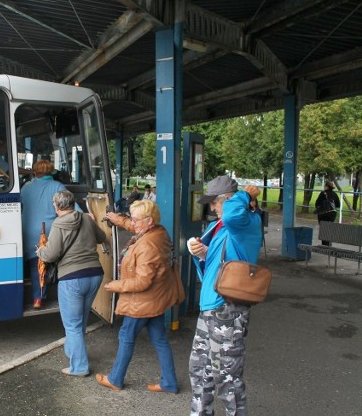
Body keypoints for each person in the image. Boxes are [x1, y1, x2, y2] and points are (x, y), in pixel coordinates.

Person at [187, 176, 262, 416]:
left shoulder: (244, 221)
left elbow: (232, 215)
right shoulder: (220, 225)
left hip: (228, 308)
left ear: (228, 200)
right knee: (200, 369)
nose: (212, 207)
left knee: (227, 376)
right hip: (211, 303)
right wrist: (202, 253)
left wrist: (245, 195)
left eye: (215, 202)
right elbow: (220, 263)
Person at [95, 200, 181, 393]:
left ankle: (116, 379)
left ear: (148, 220)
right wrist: (118, 220)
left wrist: (116, 285)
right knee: (159, 339)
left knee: (126, 336)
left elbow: (143, 282)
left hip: (143, 301)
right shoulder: (157, 231)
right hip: (155, 299)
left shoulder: (148, 246)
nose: (132, 223)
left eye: (135, 220)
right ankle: (169, 382)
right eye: (131, 219)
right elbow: (135, 227)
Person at [37, 190, 106, 377]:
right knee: (80, 320)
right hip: (95, 274)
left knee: (73, 325)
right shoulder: (85, 218)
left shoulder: (58, 224)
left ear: (56, 206)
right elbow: (101, 238)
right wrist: (91, 221)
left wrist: (40, 251)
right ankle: (74, 352)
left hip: (72, 278)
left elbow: (51, 254)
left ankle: (80, 367)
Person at [21, 159, 70, 309]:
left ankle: (36, 298)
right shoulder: (58, 186)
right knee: (54, 262)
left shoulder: (26, 187)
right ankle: (51, 296)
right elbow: (71, 209)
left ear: (35, 171)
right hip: (48, 231)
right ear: (51, 171)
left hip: (27, 229)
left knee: (34, 264)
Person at [315, 181, 340, 245]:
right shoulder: (334, 194)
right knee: (329, 229)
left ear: (326, 186)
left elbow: (317, 203)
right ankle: (329, 244)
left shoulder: (323, 193)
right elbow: (338, 204)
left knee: (323, 230)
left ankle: (325, 245)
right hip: (332, 214)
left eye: (324, 186)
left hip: (323, 214)